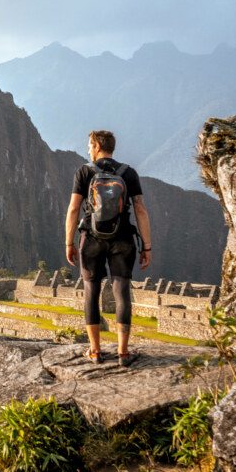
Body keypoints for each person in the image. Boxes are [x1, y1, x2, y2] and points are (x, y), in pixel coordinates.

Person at [64, 130, 152, 367]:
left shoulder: (84, 172)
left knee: (91, 291)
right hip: (123, 239)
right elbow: (141, 209)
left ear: (96, 145)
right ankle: (123, 353)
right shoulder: (128, 173)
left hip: (91, 239)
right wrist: (147, 246)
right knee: (121, 291)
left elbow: (74, 209)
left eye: (89, 145)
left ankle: (95, 351)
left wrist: (69, 242)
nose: (88, 150)